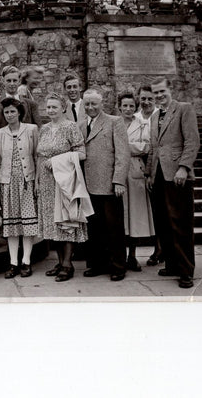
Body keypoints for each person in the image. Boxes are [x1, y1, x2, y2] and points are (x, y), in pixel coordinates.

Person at [145, 78, 200, 289]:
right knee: (164, 223)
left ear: (170, 90)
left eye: (162, 91)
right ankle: (172, 264)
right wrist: (150, 174)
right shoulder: (155, 116)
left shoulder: (184, 109)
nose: (159, 96)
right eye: (155, 92)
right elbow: (154, 148)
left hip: (178, 176)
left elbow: (192, 141)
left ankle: (186, 271)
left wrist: (184, 167)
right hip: (159, 176)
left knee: (181, 224)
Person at [36, 93, 90, 282]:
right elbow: (40, 158)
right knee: (53, 223)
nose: (50, 110)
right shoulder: (43, 129)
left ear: (63, 108)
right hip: (46, 181)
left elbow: (81, 153)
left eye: (54, 107)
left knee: (66, 222)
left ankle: (68, 264)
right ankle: (59, 262)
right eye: (48, 107)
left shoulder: (70, 127)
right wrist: (37, 180)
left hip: (64, 181)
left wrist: (57, 160)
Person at [80, 89, 130, 281]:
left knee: (113, 227)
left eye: (94, 103)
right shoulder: (81, 125)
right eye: (87, 104)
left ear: (102, 104)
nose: (90, 107)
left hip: (109, 184)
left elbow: (123, 153)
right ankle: (97, 264)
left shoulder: (114, 122)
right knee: (94, 226)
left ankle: (118, 266)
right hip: (88, 184)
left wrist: (118, 180)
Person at [0, 97, 39, 278]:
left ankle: (26, 261)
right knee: (11, 226)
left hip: (27, 182)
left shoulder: (31, 130)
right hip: (8, 183)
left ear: (19, 112)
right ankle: (13, 263)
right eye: (6, 112)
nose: (9, 115)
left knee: (27, 224)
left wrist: (37, 182)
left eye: (13, 111)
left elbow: (37, 157)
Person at [118, 92, 154, 272]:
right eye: (124, 106)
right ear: (119, 107)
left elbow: (146, 146)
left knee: (134, 216)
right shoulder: (114, 123)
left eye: (131, 106)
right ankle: (119, 256)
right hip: (118, 172)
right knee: (120, 216)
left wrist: (124, 147)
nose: (128, 109)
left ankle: (132, 256)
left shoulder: (142, 124)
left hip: (135, 171)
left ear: (136, 107)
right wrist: (132, 146)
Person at [136, 85, 163, 266]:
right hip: (137, 168)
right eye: (143, 98)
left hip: (157, 168)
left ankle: (160, 248)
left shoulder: (161, 116)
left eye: (149, 99)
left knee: (159, 210)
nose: (146, 102)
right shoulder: (134, 117)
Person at [0, 65, 42, 140]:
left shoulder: (31, 104)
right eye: (8, 81)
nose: (12, 84)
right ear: (3, 81)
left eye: (14, 80)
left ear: (19, 81)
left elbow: (39, 130)